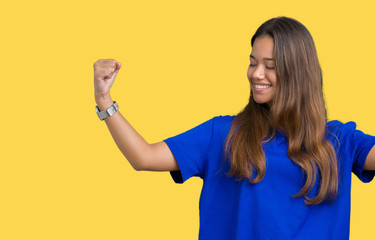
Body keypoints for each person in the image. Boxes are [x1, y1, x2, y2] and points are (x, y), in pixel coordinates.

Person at [93, 17, 375, 239]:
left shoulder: (340, 141)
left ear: (298, 72)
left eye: (270, 66)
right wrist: (104, 100)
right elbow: (143, 157)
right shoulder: (223, 134)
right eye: (253, 63)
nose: (256, 74)